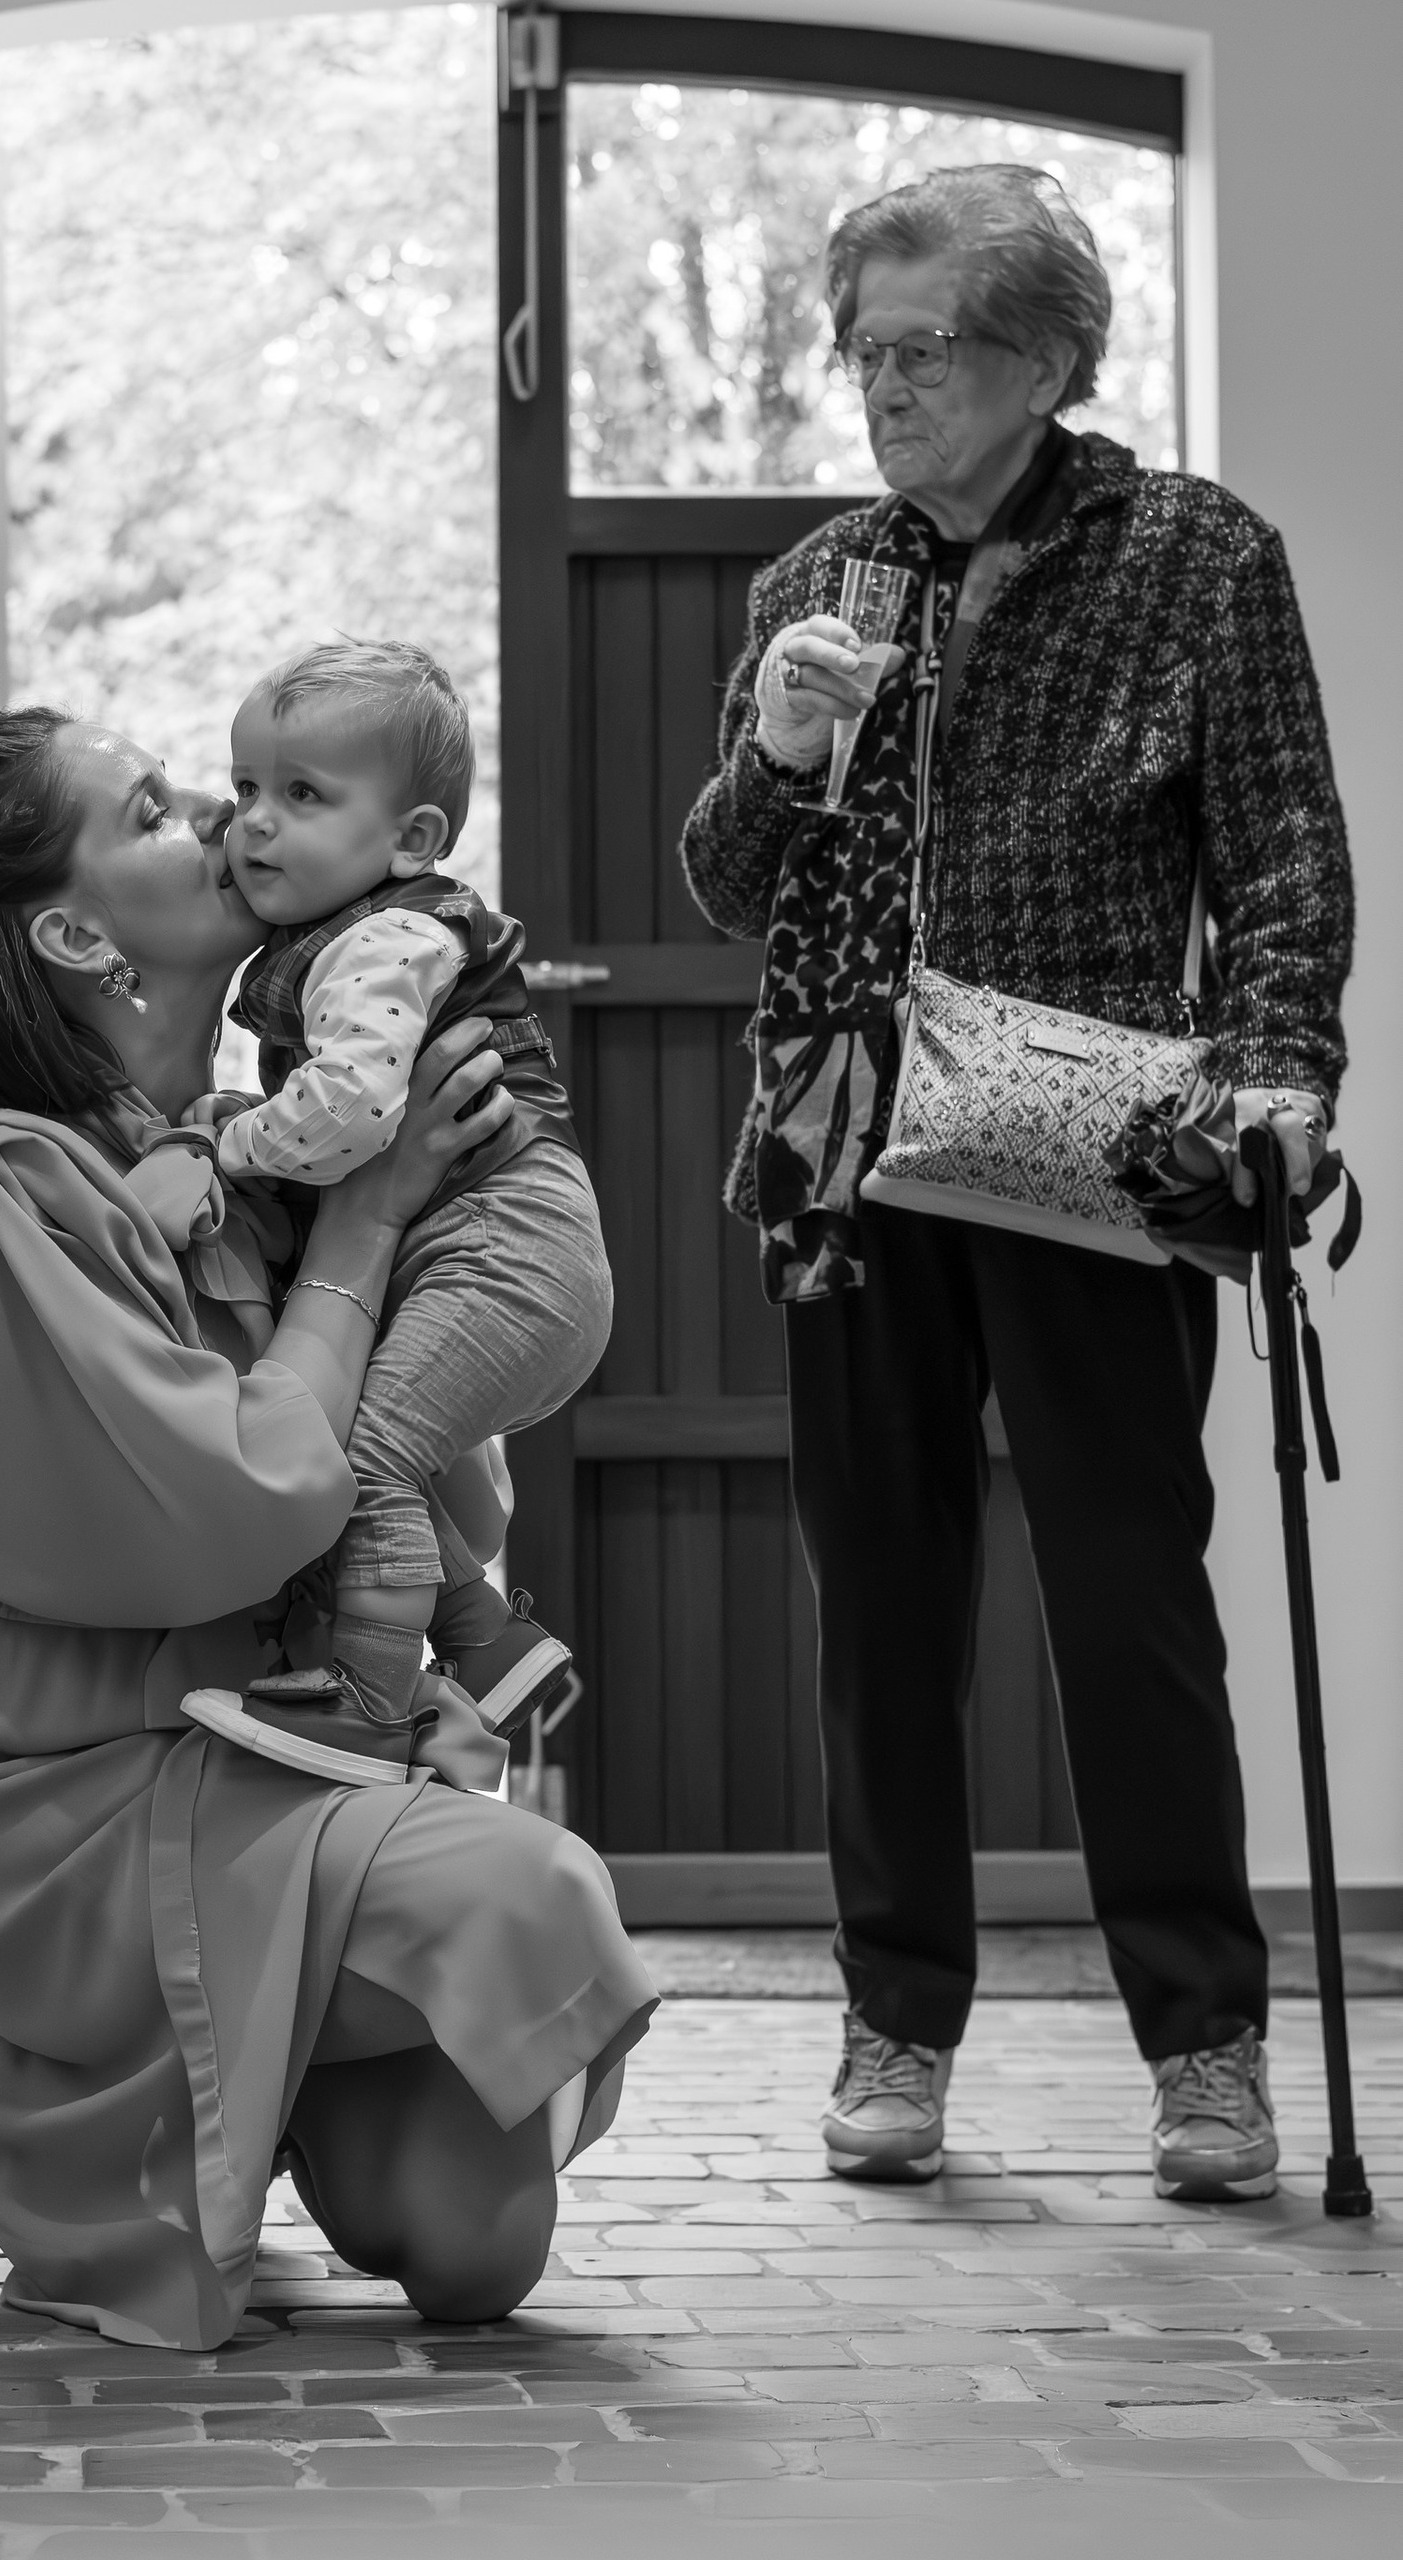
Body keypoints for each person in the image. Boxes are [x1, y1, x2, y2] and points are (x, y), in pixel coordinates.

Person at [680, 166, 1351, 2198]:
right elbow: (722, 885)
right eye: (859, 352)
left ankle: (1201, 2047)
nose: (877, 389)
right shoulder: (818, 573)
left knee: (1125, 1599)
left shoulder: (1190, 556)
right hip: (843, 1137)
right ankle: (894, 2021)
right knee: (878, 1603)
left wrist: (1272, 1074)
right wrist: (776, 757)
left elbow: (1281, 861)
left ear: (1046, 356)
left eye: (921, 351)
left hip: (1088, 1137)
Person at [0, 705, 656, 2348]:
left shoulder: (258, 1146)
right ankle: (138, 2070)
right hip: (84, 1785)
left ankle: (253, 2074)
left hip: (286, 1755)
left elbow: (426, 1475)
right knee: (535, 1903)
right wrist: (366, 1237)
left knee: (470, 2238)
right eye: (163, 807)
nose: (231, 826)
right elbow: (236, 1509)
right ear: (79, 931)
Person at [190, 638, 608, 1762]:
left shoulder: (382, 939)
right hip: (491, 1248)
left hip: (509, 1251)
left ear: (412, 840)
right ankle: (485, 1638)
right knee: (377, 1450)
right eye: (244, 790)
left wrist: (229, 1142)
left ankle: (369, 1699)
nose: (253, 823)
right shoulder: (346, 927)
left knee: (360, 1458)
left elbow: (347, 1114)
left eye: (302, 795)